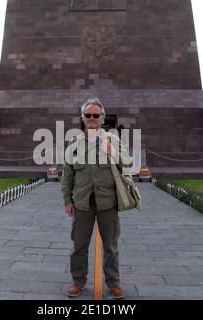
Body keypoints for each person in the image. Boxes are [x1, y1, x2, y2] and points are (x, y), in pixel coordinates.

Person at [61, 98, 133, 299]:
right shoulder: (74, 144)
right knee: (79, 244)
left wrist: (113, 152)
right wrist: (67, 200)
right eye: (88, 115)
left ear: (102, 119)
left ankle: (113, 284)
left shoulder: (114, 140)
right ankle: (78, 281)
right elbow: (67, 175)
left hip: (107, 201)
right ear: (82, 119)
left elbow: (129, 163)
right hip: (82, 203)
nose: (92, 118)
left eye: (96, 115)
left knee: (110, 246)